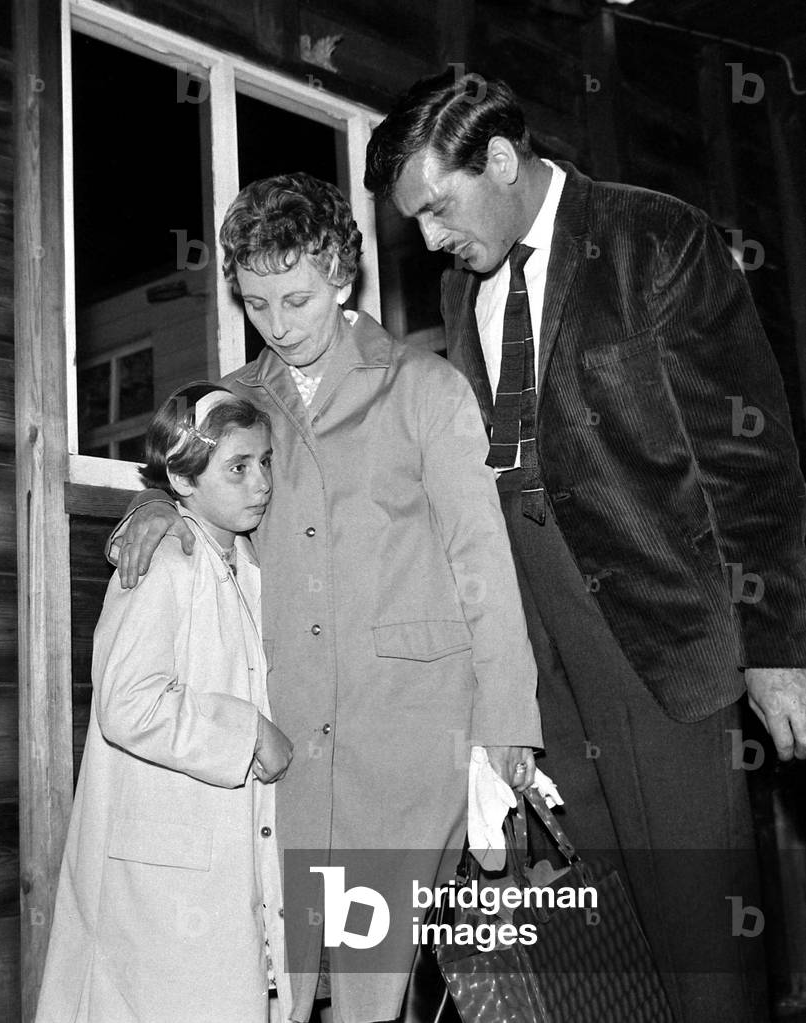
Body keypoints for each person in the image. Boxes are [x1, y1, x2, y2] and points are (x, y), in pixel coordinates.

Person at [363, 69, 806, 1022]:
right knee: (601, 950)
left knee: (704, 958)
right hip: (538, 674)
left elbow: (750, 457)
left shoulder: (655, 238)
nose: (433, 239)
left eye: (438, 209)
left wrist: (775, 647)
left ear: (501, 158)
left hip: (661, 646)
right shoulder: (458, 295)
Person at [108, 172, 542, 1023]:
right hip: (283, 730)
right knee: (275, 977)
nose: (278, 324)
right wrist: (152, 505)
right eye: (257, 303)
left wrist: (507, 718)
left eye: (297, 299)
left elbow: (481, 559)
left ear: (343, 276)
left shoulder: (423, 386)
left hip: (409, 730)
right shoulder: (231, 400)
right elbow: (189, 478)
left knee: (378, 988)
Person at [36, 383, 293, 1023]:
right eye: (238, 467)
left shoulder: (245, 561)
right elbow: (127, 704)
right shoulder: (164, 564)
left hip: (213, 844)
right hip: (156, 864)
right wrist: (250, 732)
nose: (260, 482)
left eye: (265, 462)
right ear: (182, 478)